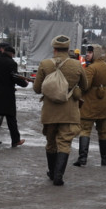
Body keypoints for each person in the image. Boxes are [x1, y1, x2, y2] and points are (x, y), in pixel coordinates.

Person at [32, 34, 90, 186]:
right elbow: (85, 86)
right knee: (64, 143)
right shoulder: (77, 65)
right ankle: (59, 176)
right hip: (69, 110)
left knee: (51, 142)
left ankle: (52, 172)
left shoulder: (45, 64)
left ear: (54, 49)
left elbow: (37, 89)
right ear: (68, 48)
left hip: (50, 111)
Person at [74, 44, 106, 166]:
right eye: (87, 52)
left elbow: (85, 86)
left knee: (85, 130)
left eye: (90, 52)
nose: (87, 54)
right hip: (105, 107)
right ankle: (104, 159)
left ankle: (82, 159)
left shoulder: (91, 68)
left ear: (96, 54)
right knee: (103, 132)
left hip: (90, 106)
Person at [0, 45, 27, 148]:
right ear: (11, 54)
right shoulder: (12, 63)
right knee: (11, 118)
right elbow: (15, 77)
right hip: (7, 95)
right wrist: (24, 83)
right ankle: (15, 140)